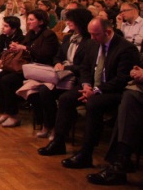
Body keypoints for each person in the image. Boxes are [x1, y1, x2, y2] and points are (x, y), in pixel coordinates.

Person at [37, 18, 139, 169]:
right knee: (66, 99)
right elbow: (85, 68)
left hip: (113, 91)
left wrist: (97, 91)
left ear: (108, 32)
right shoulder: (92, 44)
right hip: (92, 86)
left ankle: (86, 153)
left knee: (94, 104)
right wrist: (86, 85)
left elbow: (122, 79)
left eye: (96, 34)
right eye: (90, 34)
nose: (92, 38)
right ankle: (59, 142)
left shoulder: (126, 49)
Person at [26, 8, 96, 139]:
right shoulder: (68, 38)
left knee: (62, 97)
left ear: (80, 21)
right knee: (41, 90)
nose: (67, 22)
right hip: (62, 74)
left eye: (71, 20)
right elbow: (57, 56)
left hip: (78, 77)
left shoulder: (89, 41)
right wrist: (58, 63)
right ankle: (48, 125)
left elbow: (86, 66)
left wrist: (68, 67)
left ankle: (58, 130)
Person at [0, 9, 59, 128]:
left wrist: (24, 48)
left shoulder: (48, 35)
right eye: (28, 19)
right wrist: (16, 47)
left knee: (7, 80)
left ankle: (14, 115)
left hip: (40, 68)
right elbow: (24, 48)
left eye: (32, 19)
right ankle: (5, 112)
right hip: (27, 66)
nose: (28, 22)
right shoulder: (31, 33)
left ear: (41, 21)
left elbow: (44, 54)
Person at [87, 65, 143, 185]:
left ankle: (119, 164)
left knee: (130, 100)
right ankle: (119, 162)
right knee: (129, 99)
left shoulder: (125, 48)